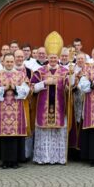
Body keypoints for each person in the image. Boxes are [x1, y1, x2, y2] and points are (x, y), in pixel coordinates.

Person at [30, 33, 72, 165]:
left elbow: (69, 88)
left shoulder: (65, 71)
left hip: (60, 106)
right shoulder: (39, 71)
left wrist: (71, 80)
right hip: (43, 107)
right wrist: (44, 83)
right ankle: (44, 157)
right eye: (51, 57)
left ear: (58, 58)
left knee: (58, 132)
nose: (53, 59)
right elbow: (31, 88)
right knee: (44, 132)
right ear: (47, 57)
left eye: (55, 57)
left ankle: (58, 158)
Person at [0, 53, 31, 168]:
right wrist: (4, 88)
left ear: (14, 62)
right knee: (4, 136)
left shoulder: (21, 75)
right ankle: (5, 161)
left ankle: (15, 161)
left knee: (16, 136)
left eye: (11, 61)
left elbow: (26, 91)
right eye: (7, 61)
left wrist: (15, 87)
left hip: (17, 111)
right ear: (3, 62)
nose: (10, 63)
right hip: (1, 111)